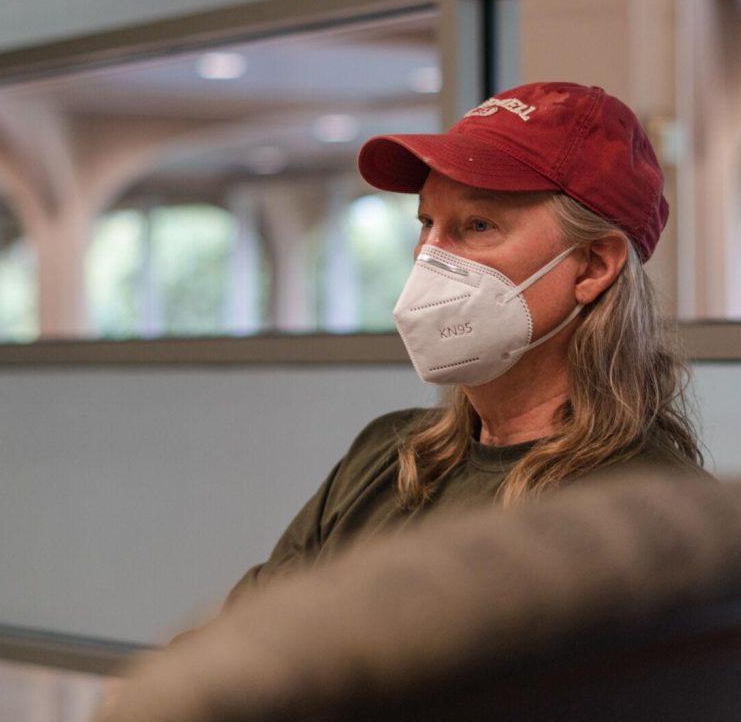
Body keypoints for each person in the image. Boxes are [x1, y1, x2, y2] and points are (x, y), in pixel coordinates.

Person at [183, 81, 708, 642]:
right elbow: (230, 655)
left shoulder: (648, 516)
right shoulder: (387, 459)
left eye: (477, 226)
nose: (431, 258)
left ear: (591, 267)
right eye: (426, 223)